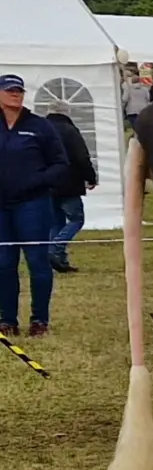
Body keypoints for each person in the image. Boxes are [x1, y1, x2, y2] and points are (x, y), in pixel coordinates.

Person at [0, 75, 68, 337]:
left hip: (33, 204)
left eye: (19, 90)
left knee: (38, 262)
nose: (15, 94)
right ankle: (7, 320)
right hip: (1, 207)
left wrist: (35, 182)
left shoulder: (40, 126)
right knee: (4, 263)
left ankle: (40, 320)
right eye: (9, 90)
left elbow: (61, 164)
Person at [42, 112, 95, 274]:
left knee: (56, 222)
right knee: (76, 219)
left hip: (48, 182)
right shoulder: (70, 130)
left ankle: (59, 261)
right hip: (69, 183)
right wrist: (90, 177)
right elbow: (81, 157)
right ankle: (56, 248)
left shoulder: (41, 129)